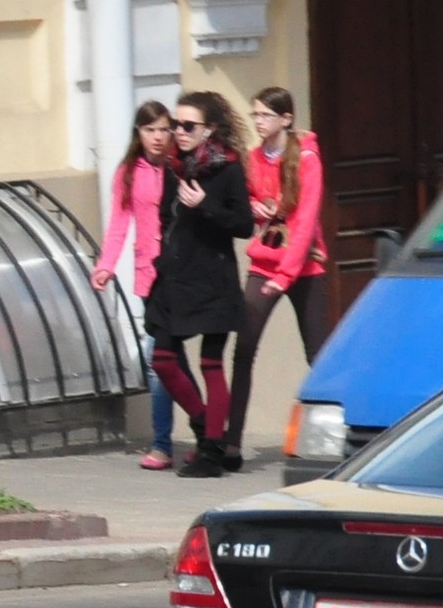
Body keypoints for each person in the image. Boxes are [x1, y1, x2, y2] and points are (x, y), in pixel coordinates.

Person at [145, 92, 254, 478]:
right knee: (162, 359)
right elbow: (164, 217)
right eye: (177, 124)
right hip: (174, 280)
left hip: (212, 282)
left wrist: (205, 205)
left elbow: (244, 224)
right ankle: (207, 428)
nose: (179, 131)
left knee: (211, 364)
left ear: (209, 130)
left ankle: (210, 454)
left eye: (188, 126)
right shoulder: (175, 166)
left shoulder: (227, 169)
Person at [223, 86, 326, 469]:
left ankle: (340, 435)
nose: (258, 121)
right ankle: (232, 444)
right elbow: (250, 206)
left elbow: (305, 221)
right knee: (244, 347)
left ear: (286, 119)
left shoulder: (307, 158)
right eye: (255, 115)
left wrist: (285, 277)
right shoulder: (253, 160)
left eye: (265, 115)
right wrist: (256, 207)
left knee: (317, 353)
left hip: (304, 266)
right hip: (265, 261)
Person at [90, 101, 179, 471]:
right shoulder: (128, 172)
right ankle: (162, 444)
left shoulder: (181, 167)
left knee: (172, 361)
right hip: (150, 276)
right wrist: (106, 265)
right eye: (150, 130)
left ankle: (206, 434)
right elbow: (119, 223)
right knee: (160, 360)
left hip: (184, 274)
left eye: (163, 129)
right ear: (138, 134)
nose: (158, 138)